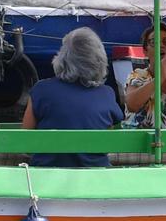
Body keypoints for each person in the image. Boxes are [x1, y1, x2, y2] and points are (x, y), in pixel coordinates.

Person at [23, 27, 124, 167]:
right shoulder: (107, 94)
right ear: (99, 59)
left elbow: (26, 144)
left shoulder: (40, 90)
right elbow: (106, 145)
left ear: (62, 57)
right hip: (95, 178)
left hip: (46, 177)